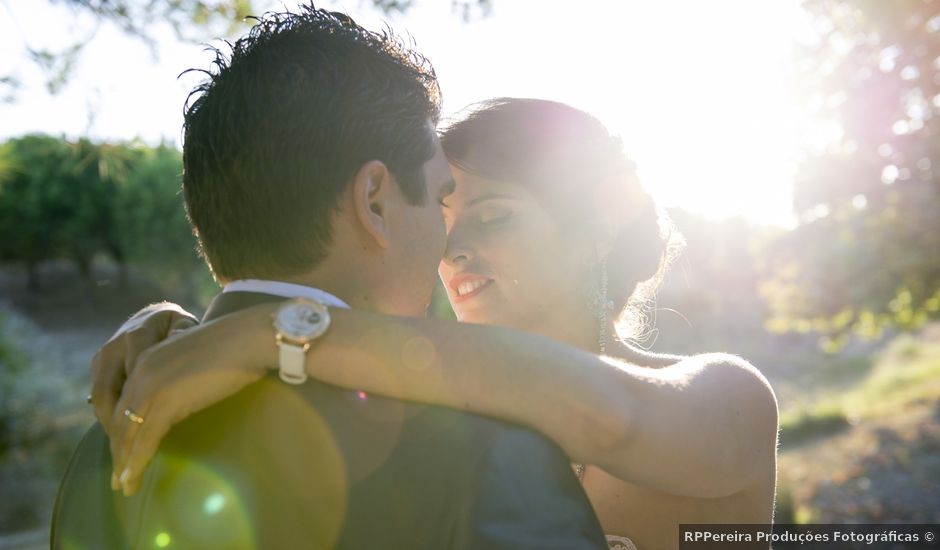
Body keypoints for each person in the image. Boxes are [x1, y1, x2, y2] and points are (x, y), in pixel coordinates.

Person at [90, 98, 780, 550]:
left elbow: (610, 414)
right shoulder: (438, 412)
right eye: (444, 218)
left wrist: (269, 326)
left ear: (596, 222)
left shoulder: (728, 395)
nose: (452, 252)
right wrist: (186, 326)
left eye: (494, 215)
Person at [50, 8, 610, 550]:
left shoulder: (106, 443)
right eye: (440, 199)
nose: (449, 246)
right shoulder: (495, 456)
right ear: (374, 202)